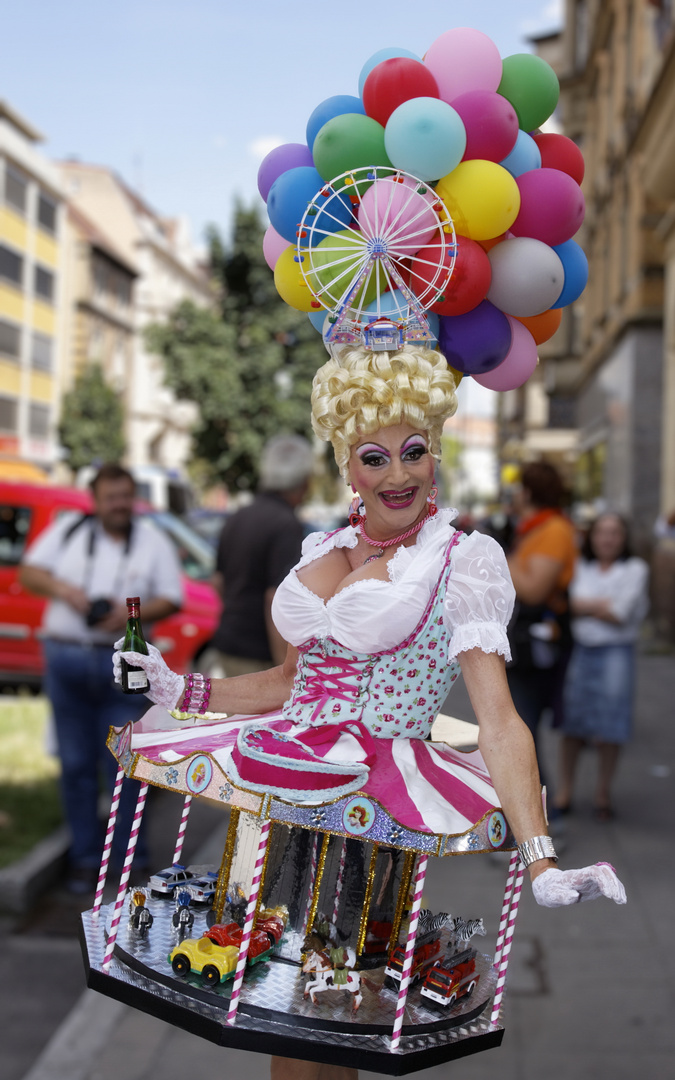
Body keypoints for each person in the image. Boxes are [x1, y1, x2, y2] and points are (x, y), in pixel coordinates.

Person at [114, 346, 625, 1080]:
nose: (398, 475)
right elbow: (290, 682)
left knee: (329, 1020)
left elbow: (499, 719)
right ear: (347, 468)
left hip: (369, 814)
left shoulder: (460, 560)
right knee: (276, 1012)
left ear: (437, 455)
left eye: (414, 452)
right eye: (374, 457)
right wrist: (177, 689)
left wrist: (539, 854)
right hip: (282, 794)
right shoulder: (322, 546)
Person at [20, 463, 183, 893]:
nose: (118, 504)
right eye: (110, 497)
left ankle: (129, 861)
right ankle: (84, 860)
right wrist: (69, 594)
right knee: (74, 766)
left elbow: (173, 599)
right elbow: (29, 573)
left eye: (125, 495)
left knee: (124, 766)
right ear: (94, 499)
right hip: (67, 661)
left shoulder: (152, 541)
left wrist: (127, 614)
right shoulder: (70, 532)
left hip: (121, 668)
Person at [554, 513, 649, 819]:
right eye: (602, 532)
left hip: (616, 653)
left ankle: (602, 793)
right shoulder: (582, 565)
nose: (608, 539)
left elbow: (621, 613)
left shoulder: (635, 569)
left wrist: (588, 606)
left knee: (611, 726)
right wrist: (603, 604)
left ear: (624, 538)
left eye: (615, 533)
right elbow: (573, 605)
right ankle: (565, 791)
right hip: (582, 651)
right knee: (573, 724)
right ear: (592, 537)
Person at [212, 434, 313, 673]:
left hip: (228, 643)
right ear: (302, 482)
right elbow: (276, 598)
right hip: (260, 655)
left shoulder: (238, 517)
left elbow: (217, 581)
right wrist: (285, 671)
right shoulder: (286, 525)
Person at [505, 462, 578, 776]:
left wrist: (498, 557)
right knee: (522, 730)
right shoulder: (534, 528)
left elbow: (534, 590)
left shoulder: (554, 530)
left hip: (539, 649)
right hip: (526, 647)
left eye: (520, 488)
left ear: (530, 492)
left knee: (522, 732)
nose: (516, 494)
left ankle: (541, 813)